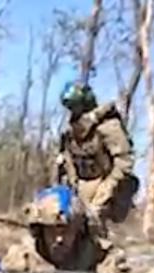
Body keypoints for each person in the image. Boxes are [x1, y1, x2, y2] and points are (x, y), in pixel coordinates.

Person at [54, 81, 138, 247]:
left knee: (95, 233)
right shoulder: (72, 132)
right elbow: (66, 158)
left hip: (104, 185)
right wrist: (71, 183)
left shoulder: (108, 127)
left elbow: (124, 161)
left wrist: (106, 191)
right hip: (80, 187)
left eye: (76, 107)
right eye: (71, 108)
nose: (73, 112)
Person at [0, 184, 110, 273]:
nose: (59, 239)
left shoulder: (99, 258)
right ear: (40, 232)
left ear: (79, 231)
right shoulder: (24, 257)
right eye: (51, 231)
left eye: (66, 231)